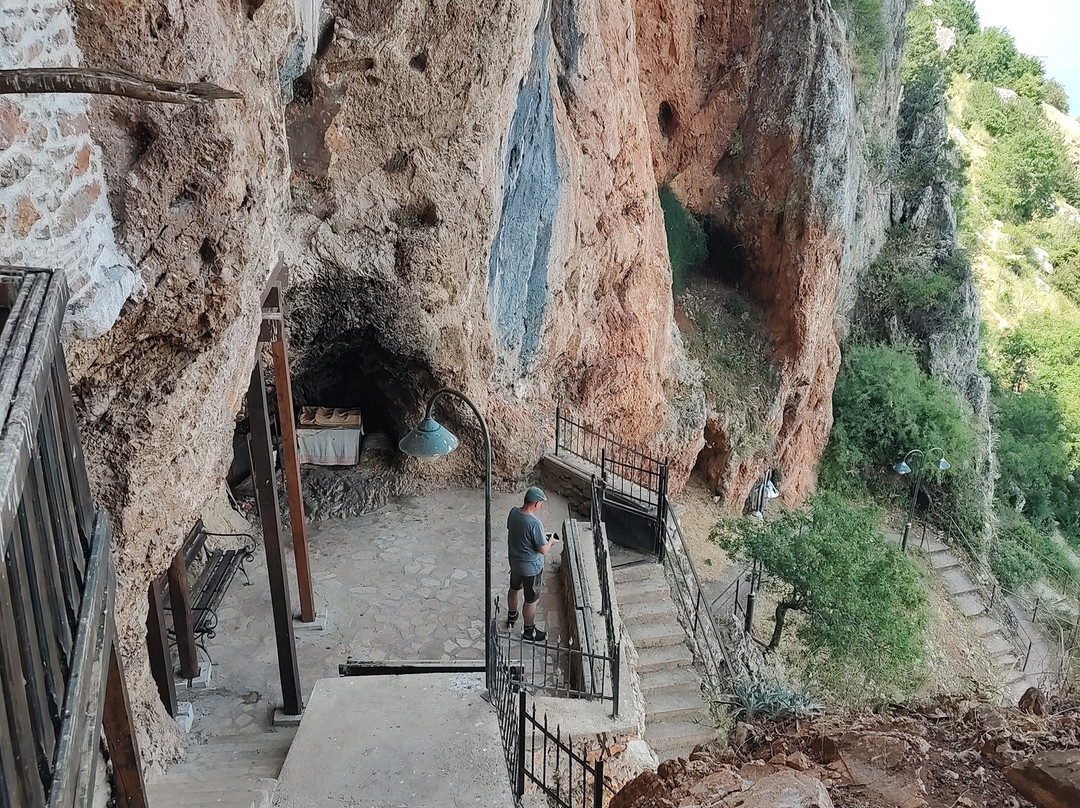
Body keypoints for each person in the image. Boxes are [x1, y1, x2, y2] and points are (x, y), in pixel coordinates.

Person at [506, 486, 558, 642]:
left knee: (514, 588)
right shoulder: (535, 523)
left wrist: (541, 536)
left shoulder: (513, 513)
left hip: (515, 563)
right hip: (531, 568)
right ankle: (529, 630)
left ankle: (511, 615)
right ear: (537, 504)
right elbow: (542, 549)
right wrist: (551, 542)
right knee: (531, 599)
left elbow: (518, 532)